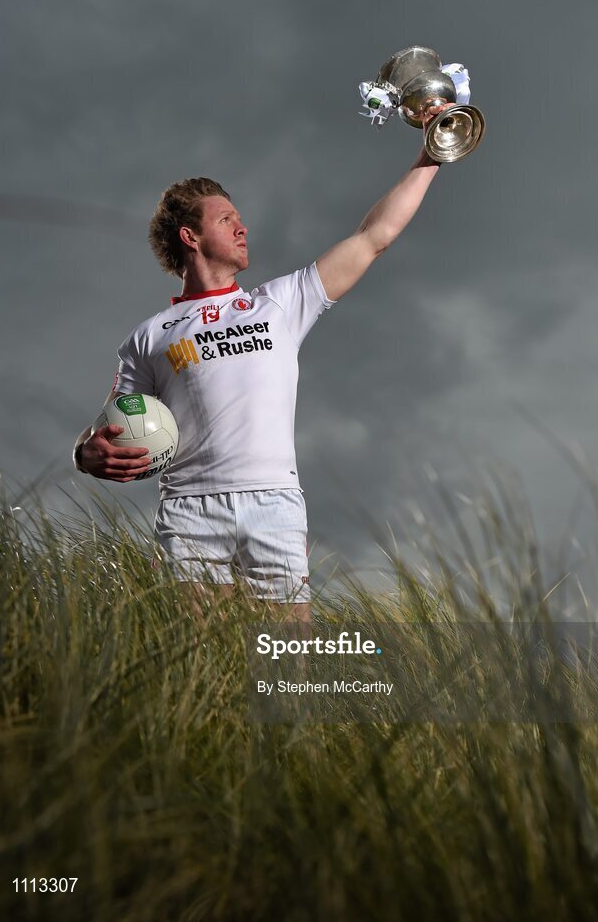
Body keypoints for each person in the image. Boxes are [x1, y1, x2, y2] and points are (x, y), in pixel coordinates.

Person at [73, 126, 446, 624]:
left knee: (285, 673)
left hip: (274, 502)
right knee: (201, 667)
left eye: (240, 219)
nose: (242, 228)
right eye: (227, 219)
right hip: (189, 509)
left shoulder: (279, 304)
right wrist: (85, 452)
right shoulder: (149, 337)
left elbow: (373, 237)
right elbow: (113, 424)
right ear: (191, 236)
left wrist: (432, 153)